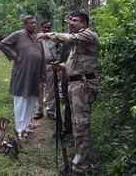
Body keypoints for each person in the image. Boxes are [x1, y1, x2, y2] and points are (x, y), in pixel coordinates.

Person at [37, 11, 100, 174]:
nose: (71, 22)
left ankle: (80, 167)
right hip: (75, 84)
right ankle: (79, 158)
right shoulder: (77, 43)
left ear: (84, 23)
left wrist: (48, 35)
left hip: (83, 86)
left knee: (81, 124)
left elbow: (69, 38)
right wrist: (62, 66)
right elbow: (74, 64)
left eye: (75, 20)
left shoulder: (88, 35)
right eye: (70, 20)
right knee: (76, 123)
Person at [0, 15, 45, 139]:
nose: (34, 25)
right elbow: (3, 44)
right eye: (31, 23)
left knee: (31, 100)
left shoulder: (38, 38)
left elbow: (42, 57)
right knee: (21, 101)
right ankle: (19, 129)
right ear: (25, 24)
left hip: (35, 75)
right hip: (22, 73)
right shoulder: (18, 35)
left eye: (35, 23)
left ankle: (26, 127)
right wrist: (15, 56)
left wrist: (42, 75)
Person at [34, 20, 61, 120]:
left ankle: (51, 110)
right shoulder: (37, 38)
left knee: (51, 89)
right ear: (41, 28)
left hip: (51, 65)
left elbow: (59, 52)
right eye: (44, 27)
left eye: (48, 27)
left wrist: (58, 63)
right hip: (39, 66)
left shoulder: (55, 39)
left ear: (51, 28)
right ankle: (38, 110)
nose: (46, 29)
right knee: (38, 88)